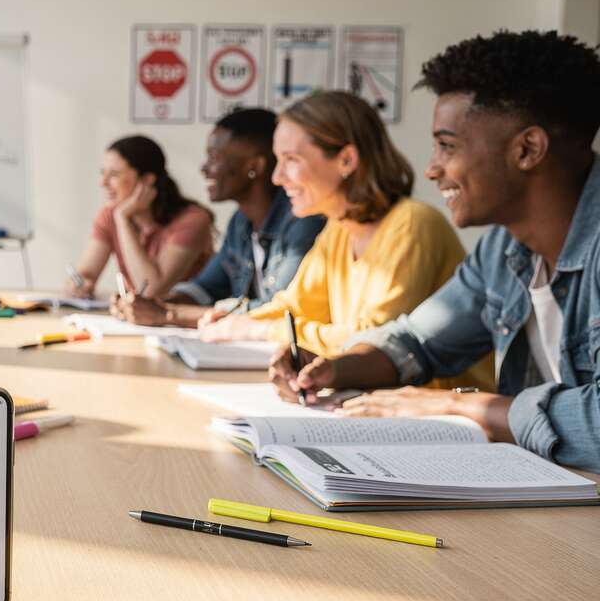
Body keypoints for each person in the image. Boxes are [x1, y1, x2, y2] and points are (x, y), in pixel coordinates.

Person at [271, 30, 600, 472]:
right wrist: (337, 369)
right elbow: (418, 342)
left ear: (528, 149)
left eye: (447, 146)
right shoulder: (504, 250)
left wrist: (465, 407)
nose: (431, 168)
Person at [197, 91, 493, 390]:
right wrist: (235, 319)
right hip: (384, 408)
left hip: (444, 421)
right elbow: (296, 306)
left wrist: (259, 331)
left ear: (347, 160)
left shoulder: (413, 224)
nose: (276, 177)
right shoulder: (339, 228)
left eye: (291, 160)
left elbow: (370, 340)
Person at [112, 108, 325, 327]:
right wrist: (154, 304)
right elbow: (206, 287)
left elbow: (278, 311)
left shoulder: (304, 222)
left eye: (214, 157)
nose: (204, 168)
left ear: (254, 167)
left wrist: (169, 314)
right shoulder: (240, 222)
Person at [68, 135, 214, 299]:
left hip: (186, 319)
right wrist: (78, 284)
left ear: (146, 180)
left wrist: (122, 219)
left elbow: (151, 290)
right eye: (103, 173)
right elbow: (86, 273)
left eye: (114, 174)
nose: (103, 182)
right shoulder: (109, 215)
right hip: (138, 320)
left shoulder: (193, 220)